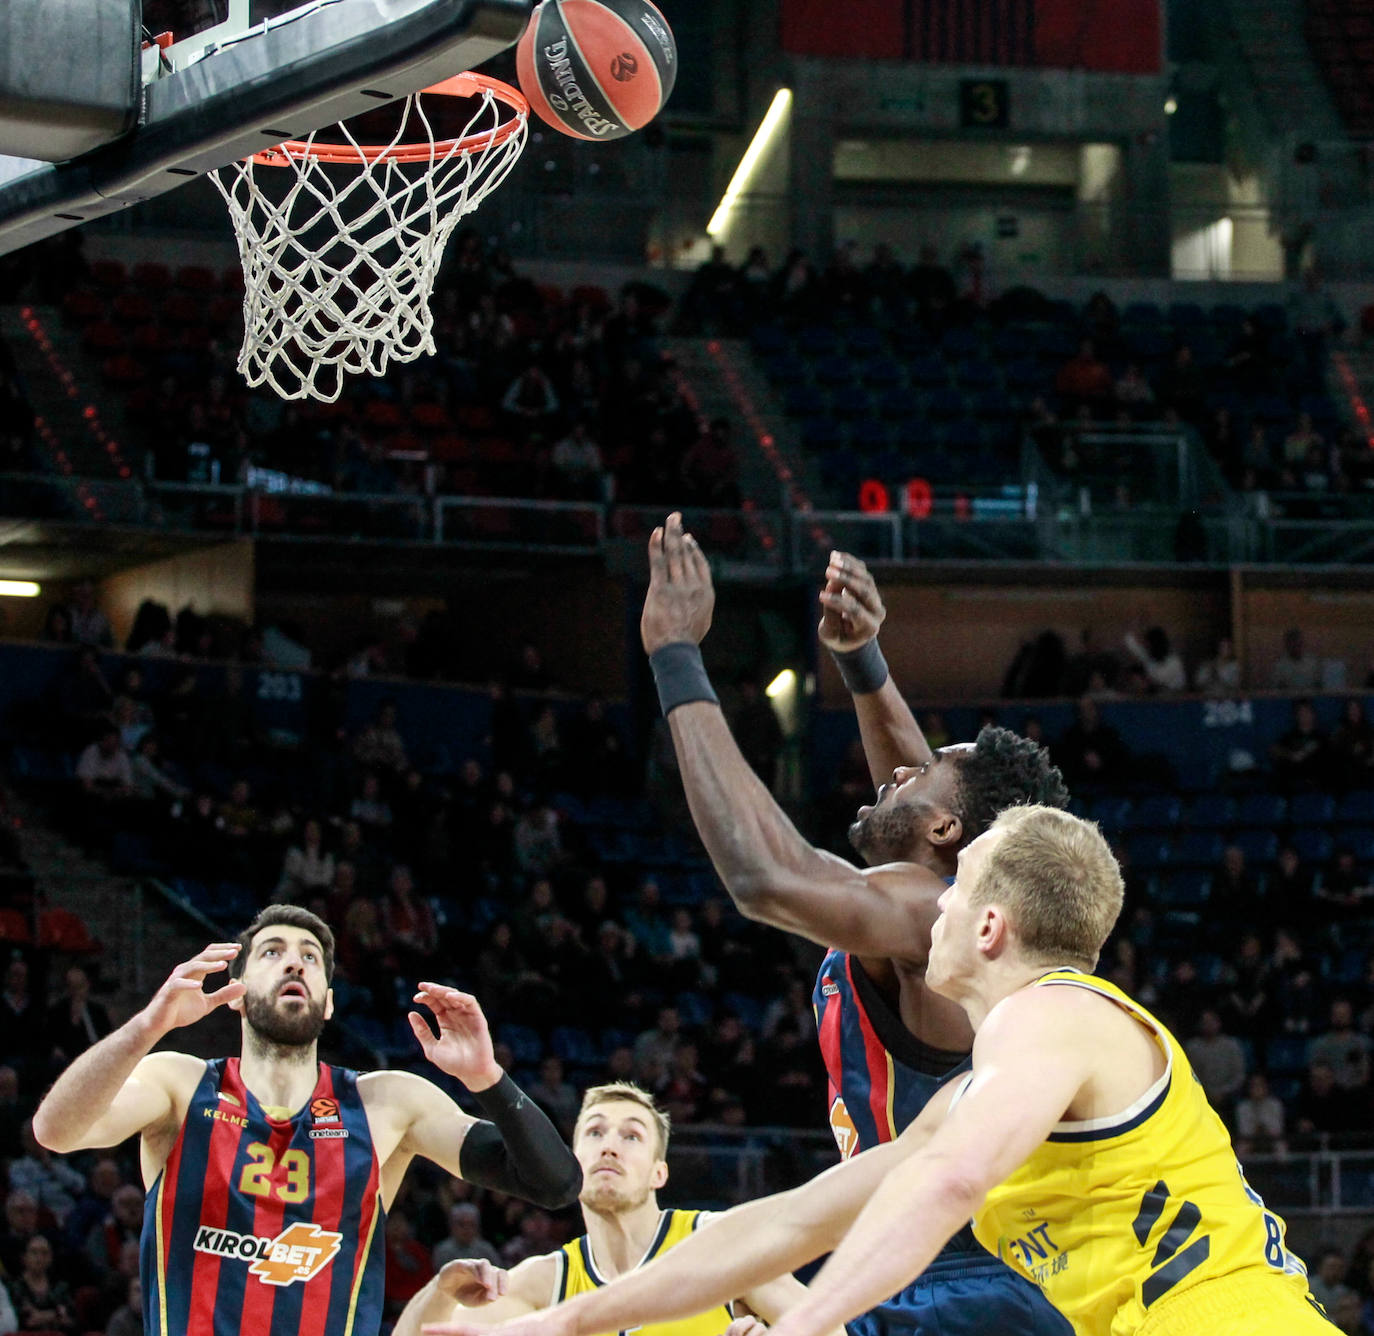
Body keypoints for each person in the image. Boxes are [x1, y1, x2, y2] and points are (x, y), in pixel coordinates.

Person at [433, 806, 1332, 1336]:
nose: (933, 902)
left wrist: (809, 1329)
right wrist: (560, 1323)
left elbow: (950, 1183)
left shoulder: (1054, 1014)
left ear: (989, 929)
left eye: (957, 883)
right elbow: (786, 1223)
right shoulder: (977, 1088)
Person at [621, 517, 1072, 1336]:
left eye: (923, 775)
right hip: (937, 1259)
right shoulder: (946, 902)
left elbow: (768, 878)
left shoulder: (934, 910)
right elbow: (928, 795)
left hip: (964, 1276)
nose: (899, 766)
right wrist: (863, 660)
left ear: (946, 834)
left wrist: (676, 657)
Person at [32, 904, 581, 1336]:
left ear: (328, 1004)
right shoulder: (179, 1084)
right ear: (237, 996)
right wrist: (146, 1027)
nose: (295, 962)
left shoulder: (387, 1103)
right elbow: (55, 1132)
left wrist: (487, 1076)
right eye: (272, 952)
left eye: (310, 957)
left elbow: (555, 1184)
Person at [397, 1082, 831, 1336]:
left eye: (632, 1136)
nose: (609, 1145)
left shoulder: (719, 1244)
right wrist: (438, 1290)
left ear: (659, 1172)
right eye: (595, 1132)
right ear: (572, 1160)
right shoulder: (543, 1282)